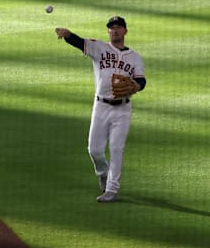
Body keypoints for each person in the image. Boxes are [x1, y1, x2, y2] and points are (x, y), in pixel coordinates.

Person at [55, 16, 146, 202]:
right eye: (112, 28)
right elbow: (80, 43)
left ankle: (112, 189)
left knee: (116, 148)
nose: (115, 30)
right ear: (108, 31)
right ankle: (103, 172)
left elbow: (141, 80)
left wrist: (136, 87)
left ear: (125, 31)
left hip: (122, 110)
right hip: (101, 106)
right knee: (94, 150)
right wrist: (67, 34)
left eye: (119, 27)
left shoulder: (135, 57)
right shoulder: (100, 48)